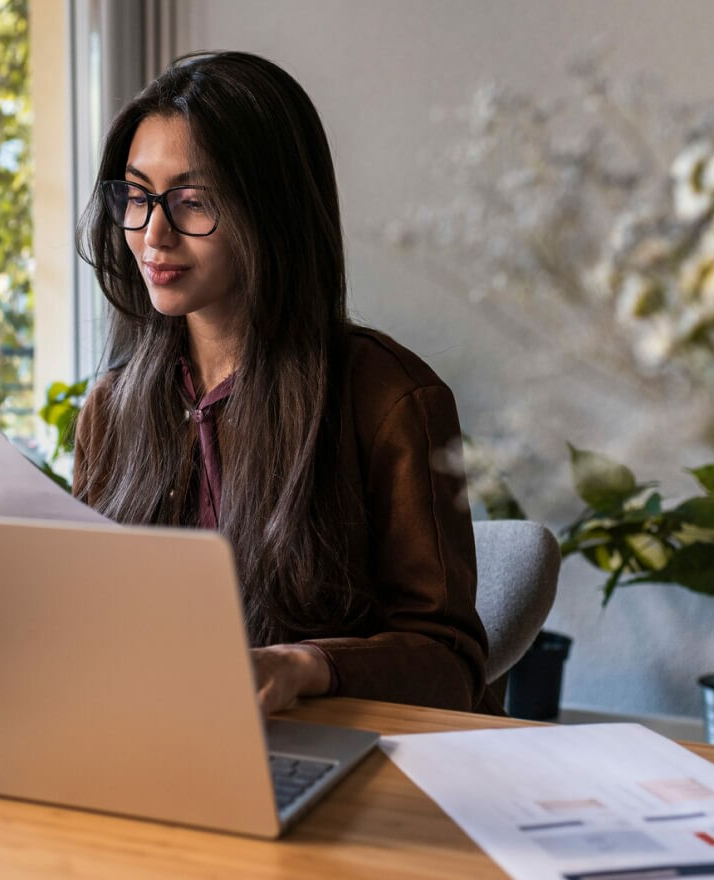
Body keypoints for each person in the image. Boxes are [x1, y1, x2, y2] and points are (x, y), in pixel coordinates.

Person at [73, 50, 500, 716]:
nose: (152, 233)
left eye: (192, 200)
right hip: (150, 740)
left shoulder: (390, 401)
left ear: (271, 211)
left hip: (334, 756)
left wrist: (303, 666)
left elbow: (449, 667)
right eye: (135, 195)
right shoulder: (114, 406)